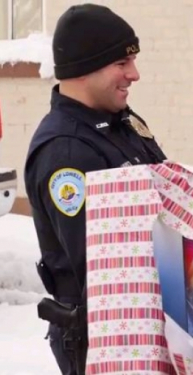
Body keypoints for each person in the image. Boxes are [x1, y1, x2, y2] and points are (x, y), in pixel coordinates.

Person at [24, 4, 166, 375]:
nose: (134, 75)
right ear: (85, 68)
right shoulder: (67, 152)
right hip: (107, 342)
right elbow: (103, 271)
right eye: (122, 63)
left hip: (145, 325)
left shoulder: (124, 123)